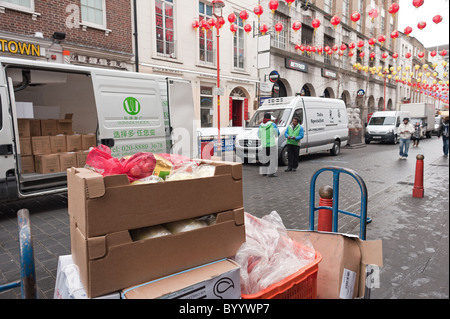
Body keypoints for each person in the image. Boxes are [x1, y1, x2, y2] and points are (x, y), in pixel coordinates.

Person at [258, 113, 280, 177]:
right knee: (272, 159)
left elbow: (259, 136)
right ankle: (271, 173)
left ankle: (264, 172)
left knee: (265, 158)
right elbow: (277, 134)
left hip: (264, 145)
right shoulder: (273, 125)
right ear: (270, 118)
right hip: (271, 145)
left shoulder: (260, 125)